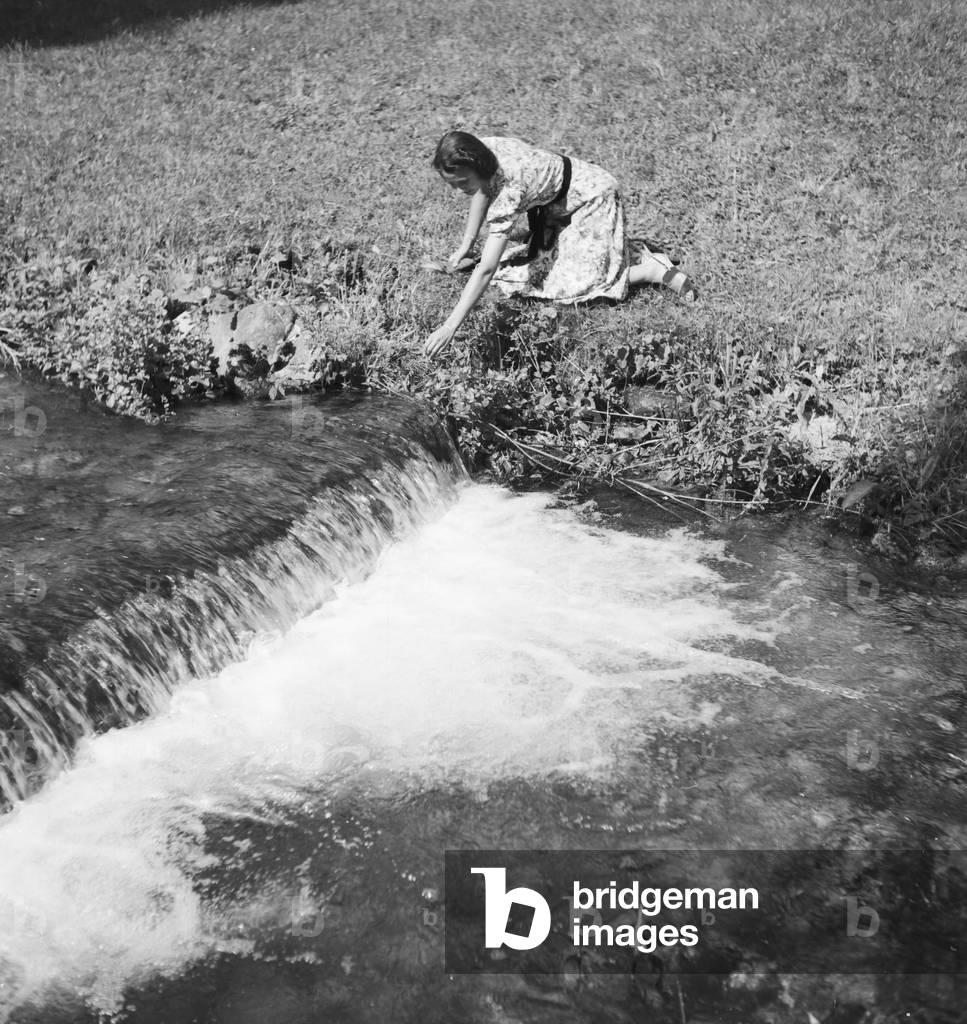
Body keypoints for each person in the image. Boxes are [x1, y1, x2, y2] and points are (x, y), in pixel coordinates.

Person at [424, 130, 697, 357]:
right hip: (563, 200)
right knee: (522, 268)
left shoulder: (509, 189)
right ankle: (623, 254)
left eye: (461, 182)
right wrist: (466, 245)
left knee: (574, 285)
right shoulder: (484, 148)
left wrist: (449, 327)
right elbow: (482, 189)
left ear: (478, 165)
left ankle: (651, 270)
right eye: (452, 184)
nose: (458, 190)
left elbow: (485, 269)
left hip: (593, 198)